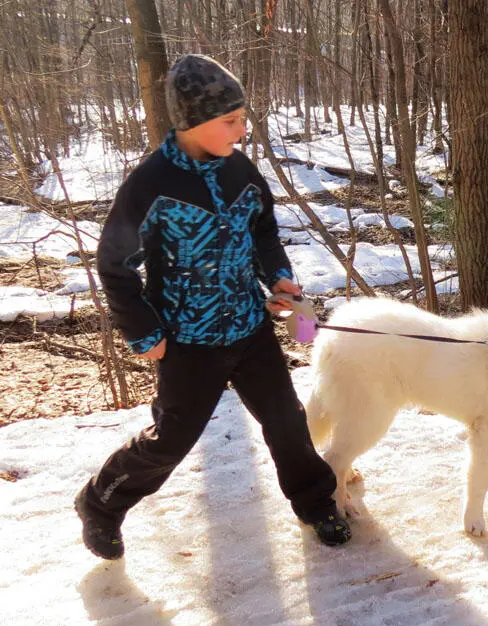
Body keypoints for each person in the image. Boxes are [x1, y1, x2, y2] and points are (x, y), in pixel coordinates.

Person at [74, 54, 351, 560]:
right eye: (231, 121)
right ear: (193, 121)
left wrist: (280, 276)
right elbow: (115, 265)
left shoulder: (239, 170)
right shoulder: (150, 185)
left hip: (249, 327)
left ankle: (317, 503)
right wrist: (144, 331)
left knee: (287, 421)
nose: (242, 131)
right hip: (186, 341)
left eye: (242, 118)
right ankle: (100, 503)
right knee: (169, 442)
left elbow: (263, 231)